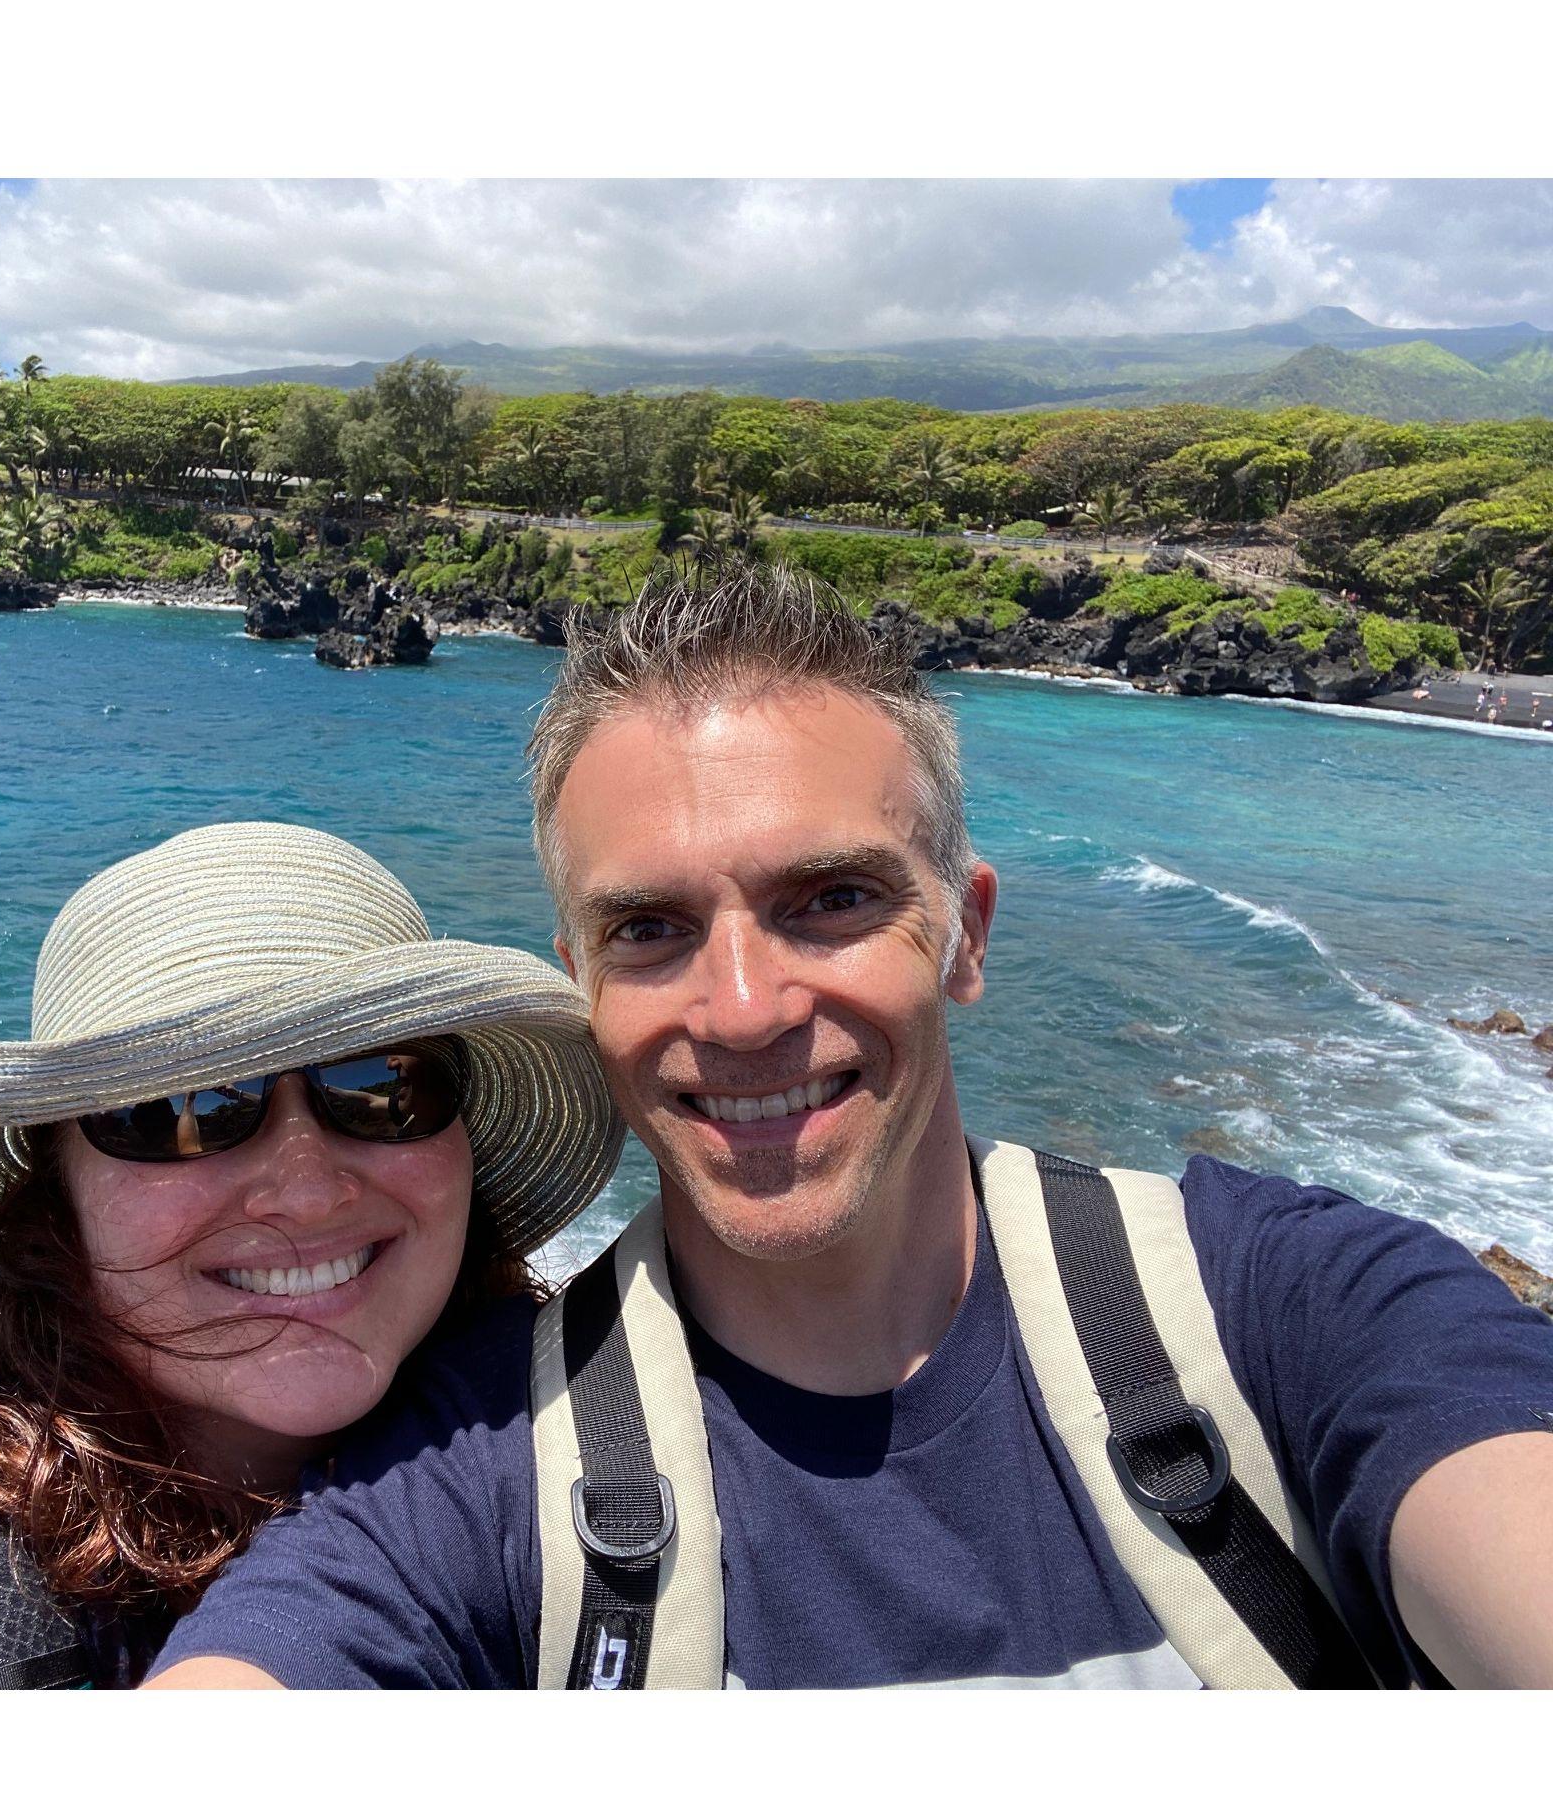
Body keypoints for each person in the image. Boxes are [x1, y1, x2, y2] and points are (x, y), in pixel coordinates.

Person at [148, 568, 1553, 1692]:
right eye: (649, 929)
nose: (746, 1007)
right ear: (580, 985)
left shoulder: (1293, 1314)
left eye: (830, 900)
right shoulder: (479, 1471)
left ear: (965, 934)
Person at [0, 822, 622, 1687]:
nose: (309, 1186)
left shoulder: (546, 1412)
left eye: (382, 1086)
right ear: (51, 1195)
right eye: (183, 1111)